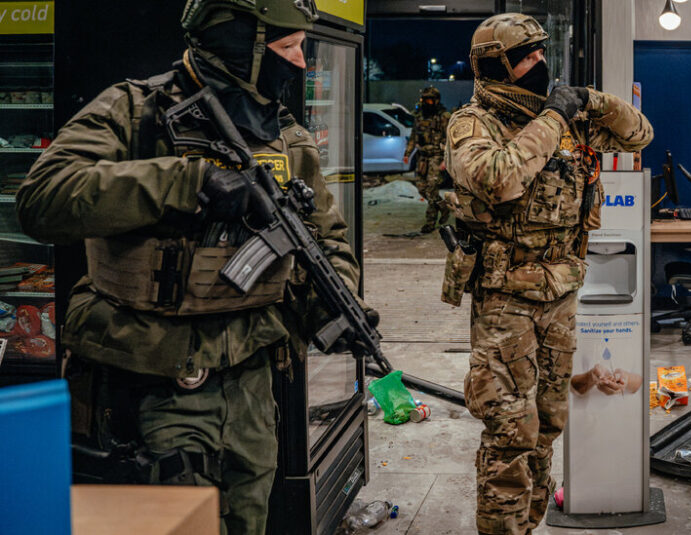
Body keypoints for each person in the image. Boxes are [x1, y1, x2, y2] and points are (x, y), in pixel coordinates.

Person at [15, 1, 370, 533]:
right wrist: (184, 182)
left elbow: (328, 237)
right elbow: (43, 199)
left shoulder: (285, 135)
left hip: (250, 382)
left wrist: (338, 299)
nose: (300, 63)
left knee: (250, 519)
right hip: (149, 380)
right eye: (287, 48)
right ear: (238, 46)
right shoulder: (135, 110)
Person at [443, 13, 652, 534]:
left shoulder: (562, 118)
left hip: (559, 293)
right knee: (510, 434)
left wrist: (594, 101)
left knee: (547, 426)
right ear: (497, 66)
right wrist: (555, 119)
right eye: (527, 57)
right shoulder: (472, 123)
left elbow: (638, 136)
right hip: (505, 301)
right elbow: (499, 177)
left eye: (541, 53)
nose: (541, 64)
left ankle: (528, 525)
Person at [404, 86, 452, 233]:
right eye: (424, 100)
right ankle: (443, 206)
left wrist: (446, 160)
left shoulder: (444, 117)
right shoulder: (419, 117)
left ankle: (430, 222)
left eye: (429, 100)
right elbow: (413, 136)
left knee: (431, 188)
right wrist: (407, 153)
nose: (426, 103)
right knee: (421, 188)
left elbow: (451, 140)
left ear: (436, 101)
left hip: (437, 157)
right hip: (422, 157)